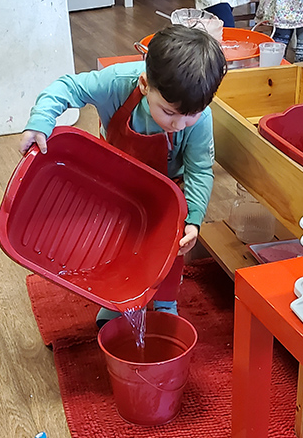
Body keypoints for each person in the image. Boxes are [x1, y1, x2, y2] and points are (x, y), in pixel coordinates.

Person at [19, 25, 227, 328]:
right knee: (116, 241)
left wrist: (193, 219)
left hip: (170, 188)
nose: (180, 124)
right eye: (169, 113)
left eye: (191, 115)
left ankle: (165, 303)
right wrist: (40, 121)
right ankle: (116, 301)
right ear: (144, 84)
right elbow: (68, 87)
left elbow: (199, 170)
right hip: (115, 180)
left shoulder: (199, 118)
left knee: (171, 245)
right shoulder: (116, 82)